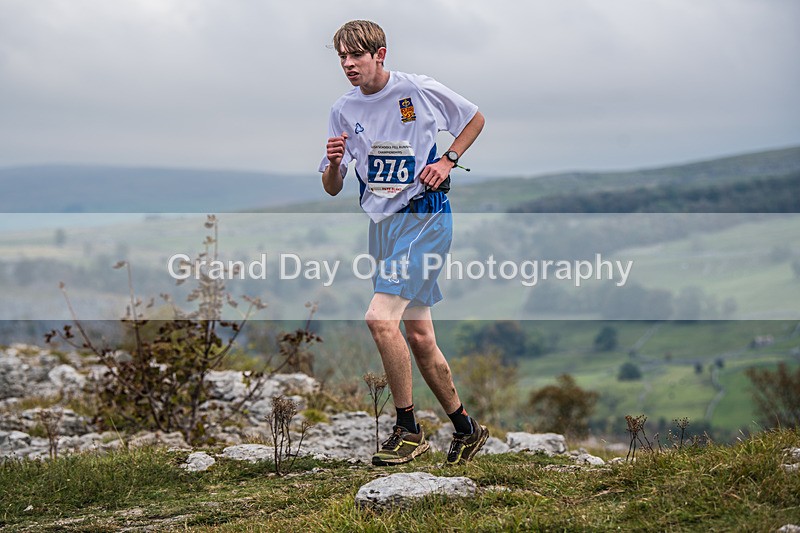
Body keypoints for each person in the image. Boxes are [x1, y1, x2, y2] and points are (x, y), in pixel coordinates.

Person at [319, 20, 486, 466]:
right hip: (384, 227)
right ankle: (467, 429)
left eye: (356, 55)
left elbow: (474, 118)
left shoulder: (417, 89)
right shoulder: (342, 109)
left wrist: (449, 160)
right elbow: (331, 187)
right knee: (419, 333)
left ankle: (408, 430)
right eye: (342, 56)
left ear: (381, 54)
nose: (348, 64)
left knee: (379, 319)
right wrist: (334, 164)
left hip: (424, 215)